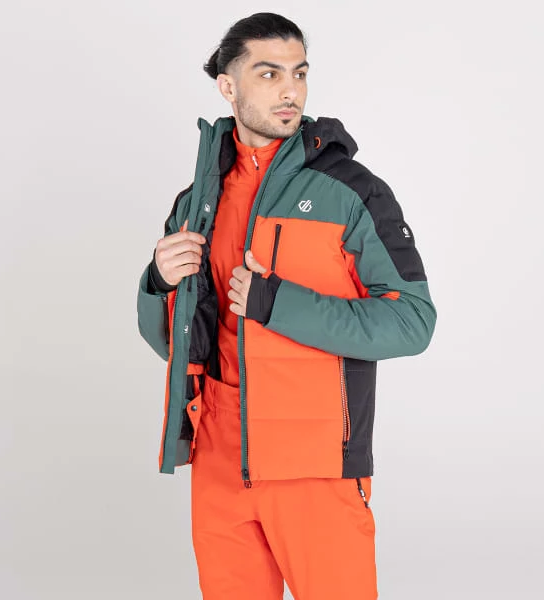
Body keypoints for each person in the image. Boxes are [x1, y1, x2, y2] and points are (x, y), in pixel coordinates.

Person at [137, 12, 436, 600]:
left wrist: (278, 304)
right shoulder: (196, 202)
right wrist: (159, 284)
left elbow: (412, 321)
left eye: (299, 73)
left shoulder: (352, 192)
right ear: (228, 86)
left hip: (314, 463)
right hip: (218, 458)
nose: (290, 90)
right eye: (269, 73)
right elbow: (173, 342)